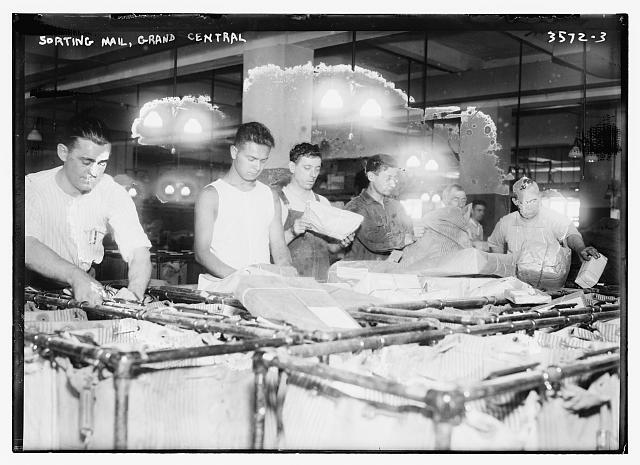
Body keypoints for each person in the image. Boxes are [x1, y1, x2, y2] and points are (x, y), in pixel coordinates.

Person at [25, 115, 152, 305]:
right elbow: (26, 247)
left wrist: (134, 293)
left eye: (102, 163)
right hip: (31, 288)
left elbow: (138, 251)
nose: (94, 172)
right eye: (86, 162)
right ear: (63, 152)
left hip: (85, 285)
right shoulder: (32, 187)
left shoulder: (112, 192)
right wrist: (76, 276)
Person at [194, 122, 293, 278]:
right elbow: (202, 253)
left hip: (259, 288)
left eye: (263, 160)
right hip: (222, 289)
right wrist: (240, 279)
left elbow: (279, 247)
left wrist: (287, 271)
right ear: (234, 152)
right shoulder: (211, 195)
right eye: (251, 159)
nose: (257, 167)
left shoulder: (270, 196)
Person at [488, 177, 600, 288]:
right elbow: (495, 243)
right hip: (516, 285)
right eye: (526, 202)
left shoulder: (552, 217)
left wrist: (580, 248)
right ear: (516, 201)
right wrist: (501, 270)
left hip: (549, 285)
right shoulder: (506, 222)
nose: (531, 205)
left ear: (539, 197)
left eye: (534, 200)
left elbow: (569, 233)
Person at [279, 143, 354, 281]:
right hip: (291, 284)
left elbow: (329, 249)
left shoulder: (323, 202)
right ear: (292, 167)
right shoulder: (279, 201)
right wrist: (292, 232)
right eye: (307, 168)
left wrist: (341, 244)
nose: (313, 175)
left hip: (321, 281)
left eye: (317, 169)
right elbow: (268, 248)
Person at [344, 154, 414, 261]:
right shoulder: (355, 208)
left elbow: (409, 234)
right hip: (364, 273)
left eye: (395, 178)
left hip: (390, 271)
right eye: (388, 178)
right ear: (371, 176)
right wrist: (404, 239)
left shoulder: (396, 206)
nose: (393, 183)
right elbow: (374, 241)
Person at [400, 183, 474, 266]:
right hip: (433, 266)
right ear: (445, 200)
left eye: (463, 200)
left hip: (456, 265)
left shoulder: (465, 223)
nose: (461, 204)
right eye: (456, 200)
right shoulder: (432, 218)